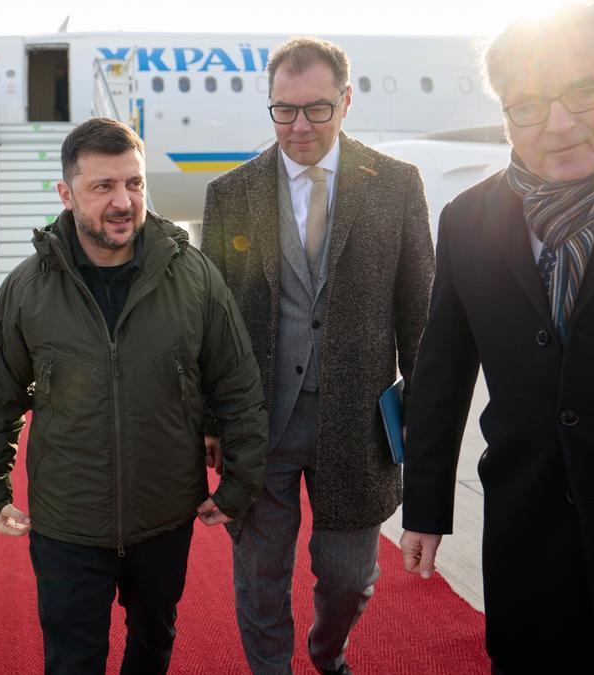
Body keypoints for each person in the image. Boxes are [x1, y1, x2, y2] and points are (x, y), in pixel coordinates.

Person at [399, 4, 594, 673]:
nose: (557, 125)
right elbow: (440, 371)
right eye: (528, 105)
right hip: (531, 535)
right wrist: (424, 506)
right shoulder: (469, 217)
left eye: (583, 92)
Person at [0, 117, 268, 674]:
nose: (123, 201)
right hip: (67, 524)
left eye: (133, 183)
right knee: (73, 659)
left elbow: (236, 383)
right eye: (102, 186)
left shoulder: (196, 277)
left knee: (152, 645)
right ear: (67, 193)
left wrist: (240, 482)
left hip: (164, 515)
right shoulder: (27, 290)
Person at [201, 37, 434, 675]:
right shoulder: (229, 194)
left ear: (347, 102)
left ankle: (328, 655)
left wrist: (423, 412)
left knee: (348, 579)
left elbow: (420, 311)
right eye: (284, 110)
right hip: (260, 423)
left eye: (316, 109)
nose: (299, 126)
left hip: (357, 424)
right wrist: (212, 422)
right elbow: (212, 326)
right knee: (260, 578)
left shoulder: (395, 186)